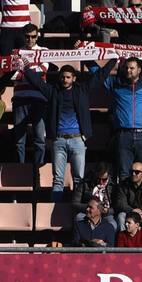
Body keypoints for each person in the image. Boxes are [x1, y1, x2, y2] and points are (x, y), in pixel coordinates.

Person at [19, 62, 93, 202]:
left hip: (77, 139)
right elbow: (37, 83)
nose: (65, 80)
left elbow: (99, 78)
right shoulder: (52, 92)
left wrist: (114, 61)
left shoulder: (81, 91)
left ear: (74, 78)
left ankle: (78, 209)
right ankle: (57, 210)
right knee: (58, 179)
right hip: (58, 140)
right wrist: (25, 68)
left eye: (68, 77)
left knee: (78, 178)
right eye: (63, 77)